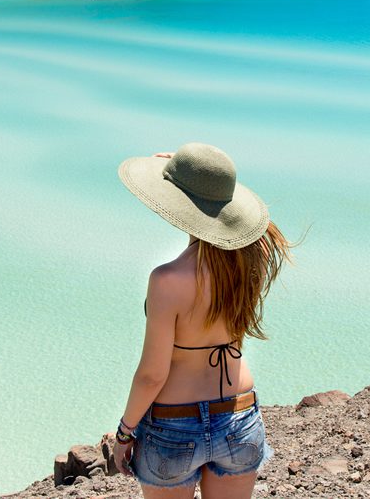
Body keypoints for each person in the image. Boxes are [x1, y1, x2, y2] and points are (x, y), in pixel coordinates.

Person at [113, 142, 292, 499]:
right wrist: (192, 180)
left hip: (172, 427)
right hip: (239, 416)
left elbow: (152, 375)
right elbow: (240, 222)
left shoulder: (168, 281)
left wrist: (124, 432)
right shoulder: (252, 261)